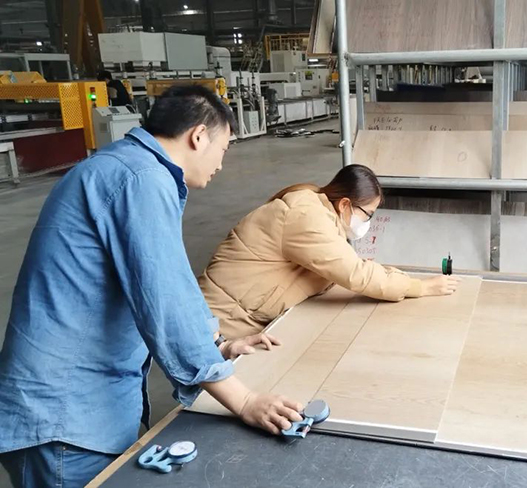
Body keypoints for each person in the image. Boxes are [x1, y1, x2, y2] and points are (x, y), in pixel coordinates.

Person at [0, 85, 303, 488]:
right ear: (199, 136)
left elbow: (165, 277)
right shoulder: (141, 179)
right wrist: (245, 400)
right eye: (224, 148)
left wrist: (216, 345)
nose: (221, 163)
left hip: (72, 409)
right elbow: (164, 299)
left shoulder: (125, 167)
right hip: (65, 418)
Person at [198, 164, 461, 339]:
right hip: (224, 325)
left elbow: (341, 266)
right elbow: (357, 275)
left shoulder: (317, 208)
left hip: (243, 318)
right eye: (368, 214)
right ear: (345, 204)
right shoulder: (306, 216)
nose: (367, 222)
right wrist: (421, 287)